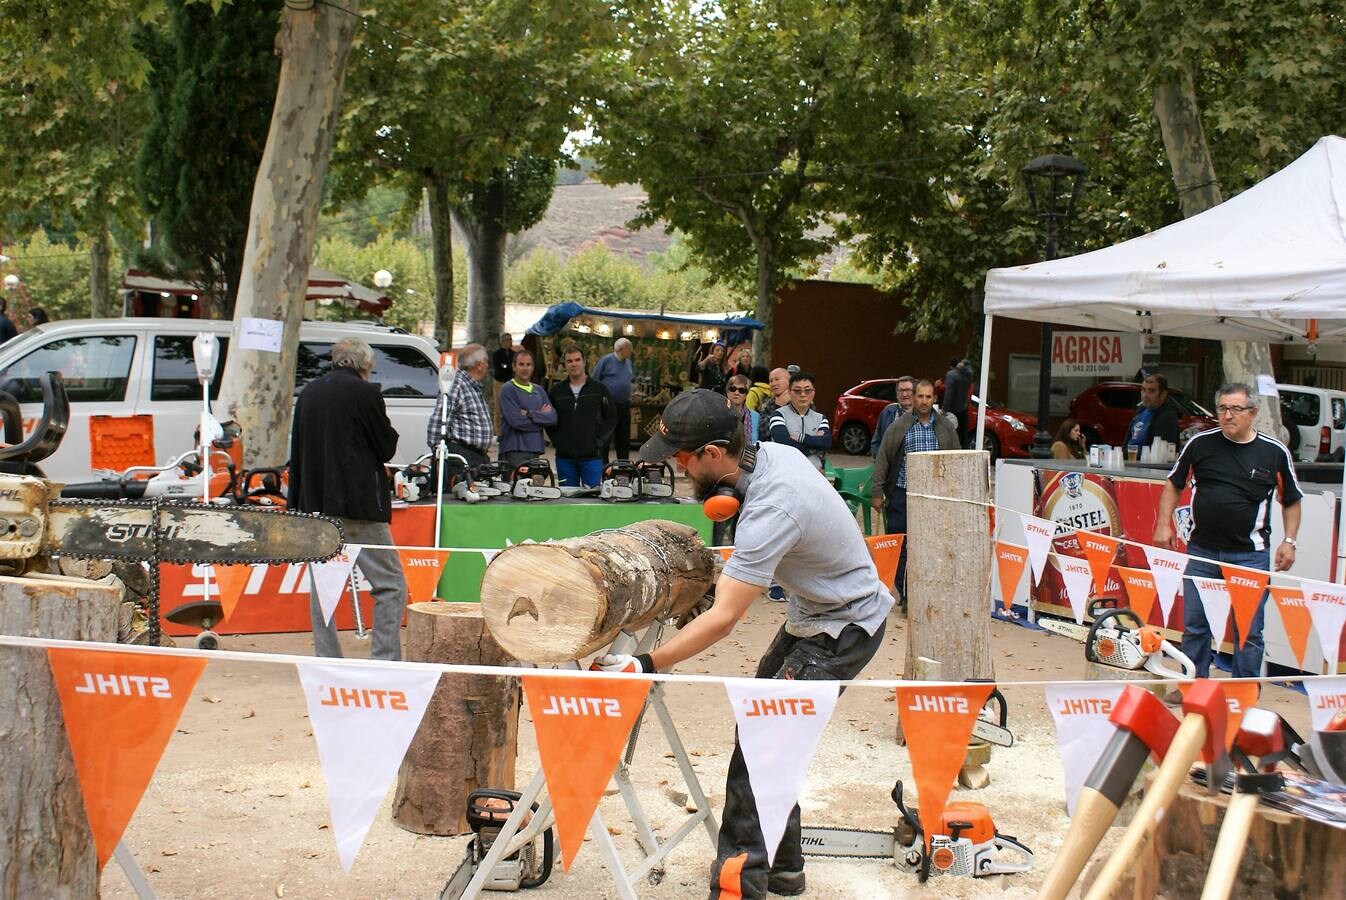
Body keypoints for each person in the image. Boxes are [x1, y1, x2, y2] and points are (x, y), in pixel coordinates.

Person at [593, 389, 893, 899]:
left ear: (714, 453)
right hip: (814, 616)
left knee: (759, 751)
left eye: (682, 459)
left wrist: (644, 663)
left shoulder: (773, 507)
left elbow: (725, 618)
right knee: (770, 739)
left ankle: (739, 890)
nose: (678, 468)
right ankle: (783, 867)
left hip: (841, 630)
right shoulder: (773, 455)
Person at [1154, 383, 1302, 678]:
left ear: (1253, 413)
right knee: (1195, 624)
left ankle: (1244, 692)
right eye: (1223, 408)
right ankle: (1191, 684)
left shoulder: (1274, 452)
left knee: (1248, 629)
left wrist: (1289, 541)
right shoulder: (1200, 444)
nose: (1228, 415)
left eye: (1236, 409)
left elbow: (1292, 501)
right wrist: (1162, 522)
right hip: (1202, 550)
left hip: (1250, 555)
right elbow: (1174, 483)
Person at [290, 338, 407, 661]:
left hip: (316, 504)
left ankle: (327, 657)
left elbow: (297, 452)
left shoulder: (309, 393)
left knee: (323, 588)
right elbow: (386, 447)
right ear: (364, 365)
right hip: (359, 506)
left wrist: (296, 506)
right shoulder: (366, 393)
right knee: (390, 585)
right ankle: (385, 660)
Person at [871, 380, 961, 610]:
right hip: (902, 493)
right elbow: (883, 459)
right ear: (913, 398)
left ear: (934, 399)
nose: (923, 401)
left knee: (930, 545)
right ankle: (906, 592)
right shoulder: (900, 426)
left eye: (928, 397)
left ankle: (926, 592)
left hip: (934, 497)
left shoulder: (944, 427)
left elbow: (957, 459)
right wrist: (877, 492)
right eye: (919, 396)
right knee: (901, 544)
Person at [546, 344, 615, 487]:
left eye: (577, 360)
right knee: (567, 500)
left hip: (592, 458)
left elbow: (611, 418)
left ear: (584, 362)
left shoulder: (599, 389)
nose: (574, 364)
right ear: (565, 364)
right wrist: (558, 440)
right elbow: (549, 420)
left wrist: (599, 442)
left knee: (591, 501)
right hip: (565, 458)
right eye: (569, 361)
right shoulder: (556, 391)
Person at [426, 342, 494, 468]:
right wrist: (438, 453)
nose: (487, 365)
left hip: (474, 456)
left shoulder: (472, 386)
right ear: (479, 364)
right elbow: (439, 419)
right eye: (486, 362)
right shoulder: (457, 384)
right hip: (461, 456)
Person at [497, 349, 556, 470]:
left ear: (533, 367)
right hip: (513, 450)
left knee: (532, 488)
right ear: (514, 367)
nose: (525, 368)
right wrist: (541, 420)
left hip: (534, 450)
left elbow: (553, 418)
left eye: (528, 365)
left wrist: (530, 414)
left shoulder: (539, 390)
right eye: (521, 364)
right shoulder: (508, 389)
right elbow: (516, 421)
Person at [767, 371, 831, 469]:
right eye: (797, 390)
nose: (803, 394)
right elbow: (784, 444)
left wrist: (802, 438)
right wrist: (815, 446)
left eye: (807, 390)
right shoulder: (778, 415)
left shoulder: (821, 418)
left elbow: (826, 442)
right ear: (789, 392)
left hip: (814, 473)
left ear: (813, 392)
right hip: (784, 472)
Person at [592, 337, 634, 460]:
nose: (630, 351)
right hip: (609, 404)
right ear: (621, 349)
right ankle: (604, 465)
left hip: (625, 404)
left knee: (623, 437)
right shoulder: (606, 360)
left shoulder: (628, 362)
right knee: (606, 436)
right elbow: (595, 379)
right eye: (629, 348)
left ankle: (623, 464)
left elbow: (628, 380)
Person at [1125, 372, 1182, 455]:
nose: (1145, 395)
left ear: (1163, 395)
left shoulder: (1167, 417)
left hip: (1148, 466)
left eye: (1151, 391)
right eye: (1143, 390)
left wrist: (1129, 452)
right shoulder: (1140, 411)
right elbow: (1125, 444)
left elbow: (1158, 454)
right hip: (1128, 462)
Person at [870, 375, 916, 456]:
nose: (904, 394)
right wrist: (882, 462)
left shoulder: (923, 414)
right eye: (901, 390)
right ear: (896, 394)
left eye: (908, 390)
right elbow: (876, 443)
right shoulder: (887, 412)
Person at [756, 367, 792, 442]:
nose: (773, 383)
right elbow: (763, 431)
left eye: (777, 379)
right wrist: (778, 407)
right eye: (771, 381)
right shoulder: (767, 403)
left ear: (789, 381)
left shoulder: (800, 401)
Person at [942, 357, 971, 442]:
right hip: (964, 408)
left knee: (952, 434)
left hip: (953, 410)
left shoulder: (951, 375)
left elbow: (949, 394)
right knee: (964, 435)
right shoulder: (967, 374)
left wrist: (944, 409)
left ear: (951, 366)